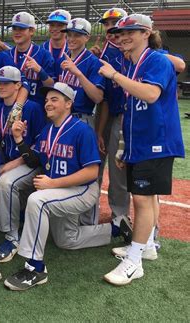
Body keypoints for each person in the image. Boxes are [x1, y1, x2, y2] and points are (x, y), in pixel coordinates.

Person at [3, 82, 131, 291]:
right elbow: (36, 161)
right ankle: (117, 228)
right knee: (66, 240)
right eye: (46, 100)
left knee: (37, 201)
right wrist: (18, 139)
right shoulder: (47, 130)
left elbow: (91, 173)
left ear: (69, 103)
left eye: (54, 99)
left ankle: (35, 268)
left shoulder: (82, 130)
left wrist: (53, 183)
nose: (48, 104)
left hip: (82, 190)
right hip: (60, 191)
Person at [99, 14, 185, 286]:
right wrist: (124, 147)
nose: (123, 37)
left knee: (142, 199)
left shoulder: (156, 60)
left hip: (157, 142)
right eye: (120, 33)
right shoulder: (133, 63)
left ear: (146, 33)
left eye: (130, 32)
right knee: (147, 197)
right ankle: (146, 245)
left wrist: (114, 75)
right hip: (140, 142)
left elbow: (150, 94)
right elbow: (131, 111)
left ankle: (134, 261)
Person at [0, 66, 46, 262]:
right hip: (11, 163)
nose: (1, 86)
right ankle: (4, 220)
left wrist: (16, 161)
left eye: (7, 83)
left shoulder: (32, 108)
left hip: (32, 164)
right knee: (3, 180)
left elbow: (41, 147)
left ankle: (13, 237)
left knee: (6, 182)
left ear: (18, 86)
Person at [91, 8, 132, 237]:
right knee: (95, 163)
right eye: (107, 24)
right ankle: (89, 212)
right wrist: (99, 130)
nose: (111, 29)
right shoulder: (103, 54)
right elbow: (104, 99)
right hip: (105, 112)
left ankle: (119, 215)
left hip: (124, 115)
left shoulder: (132, 51)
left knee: (118, 170)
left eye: (115, 23)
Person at [58, 18, 104, 128]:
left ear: (87, 37)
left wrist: (78, 73)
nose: (71, 39)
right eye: (69, 35)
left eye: (77, 35)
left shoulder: (94, 62)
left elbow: (98, 97)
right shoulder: (61, 60)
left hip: (81, 118)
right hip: (59, 117)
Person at [7, 12, 55, 106]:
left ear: (32, 31)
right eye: (14, 29)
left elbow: (51, 85)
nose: (17, 32)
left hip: (35, 108)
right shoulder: (6, 55)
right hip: (10, 106)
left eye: (21, 29)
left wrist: (40, 71)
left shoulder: (44, 54)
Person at [42, 10, 71, 80]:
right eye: (52, 25)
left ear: (67, 27)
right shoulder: (41, 48)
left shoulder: (73, 49)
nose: (54, 28)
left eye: (60, 25)